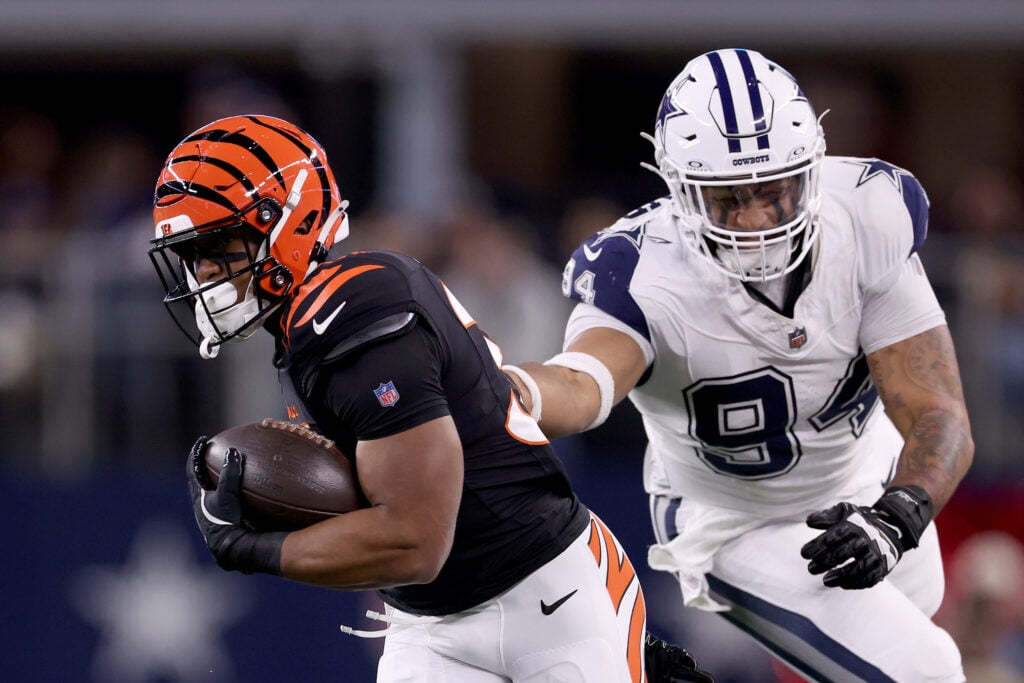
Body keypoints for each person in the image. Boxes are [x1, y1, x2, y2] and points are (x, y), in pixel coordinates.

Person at [146, 114, 714, 683]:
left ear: (286, 223)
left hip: (548, 596)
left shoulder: (353, 314)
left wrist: (253, 548)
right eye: (195, 253)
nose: (206, 271)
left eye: (221, 244)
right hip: (431, 625)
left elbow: (416, 542)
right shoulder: (309, 331)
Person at [501, 48, 974, 682]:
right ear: (678, 187)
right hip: (729, 520)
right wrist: (513, 392)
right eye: (727, 198)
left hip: (867, 475)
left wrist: (897, 512)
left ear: (811, 169)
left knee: (900, 648)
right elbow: (582, 383)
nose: (754, 220)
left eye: (773, 191)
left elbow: (937, 411)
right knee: (927, 670)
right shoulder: (643, 269)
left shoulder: (868, 214)